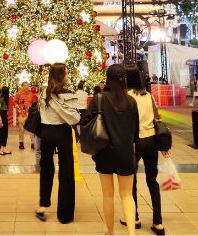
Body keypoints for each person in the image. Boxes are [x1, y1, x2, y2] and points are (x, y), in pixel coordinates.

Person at [81, 65, 139, 236]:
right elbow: (135, 132)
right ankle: (131, 233)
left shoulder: (100, 99)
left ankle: (110, 232)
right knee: (127, 195)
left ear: (107, 79)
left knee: (108, 195)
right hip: (126, 153)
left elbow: (85, 121)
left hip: (104, 152)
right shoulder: (131, 101)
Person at [124, 66, 167, 235]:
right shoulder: (149, 96)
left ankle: (134, 217)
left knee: (131, 181)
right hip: (151, 142)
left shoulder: (127, 96)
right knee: (152, 181)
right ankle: (158, 222)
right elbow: (158, 118)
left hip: (134, 143)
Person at [36, 63, 80, 224]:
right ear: (61, 76)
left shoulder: (44, 93)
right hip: (63, 133)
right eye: (66, 74)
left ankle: (43, 206)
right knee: (66, 172)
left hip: (46, 133)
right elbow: (75, 118)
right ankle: (65, 214)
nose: (68, 76)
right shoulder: (69, 94)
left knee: (46, 169)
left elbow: (40, 113)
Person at [15, 82, 35, 150]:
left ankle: (33, 143)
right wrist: (18, 109)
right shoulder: (19, 93)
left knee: (32, 129)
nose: (27, 86)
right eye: (25, 85)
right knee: (21, 129)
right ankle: (21, 143)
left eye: (28, 85)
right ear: (22, 86)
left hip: (30, 114)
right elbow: (15, 102)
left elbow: (33, 103)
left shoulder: (31, 94)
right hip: (22, 113)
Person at [0, 86, 11, 155]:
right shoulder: (1, 99)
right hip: (1, 118)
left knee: (5, 133)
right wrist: (0, 119)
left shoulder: (5, 100)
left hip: (5, 117)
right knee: (1, 134)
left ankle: (4, 148)